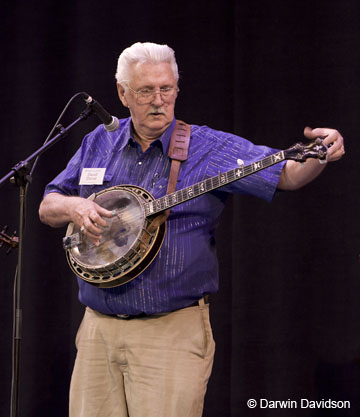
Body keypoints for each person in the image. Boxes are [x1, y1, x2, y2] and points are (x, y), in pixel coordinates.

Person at [38, 42, 345, 417]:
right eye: (146, 91)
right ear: (122, 94)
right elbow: (49, 204)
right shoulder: (98, 142)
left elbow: (288, 175)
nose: (158, 100)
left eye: (166, 89)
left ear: (177, 89)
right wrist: (76, 205)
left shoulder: (207, 148)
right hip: (96, 331)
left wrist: (321, 154)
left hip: (169, 334)